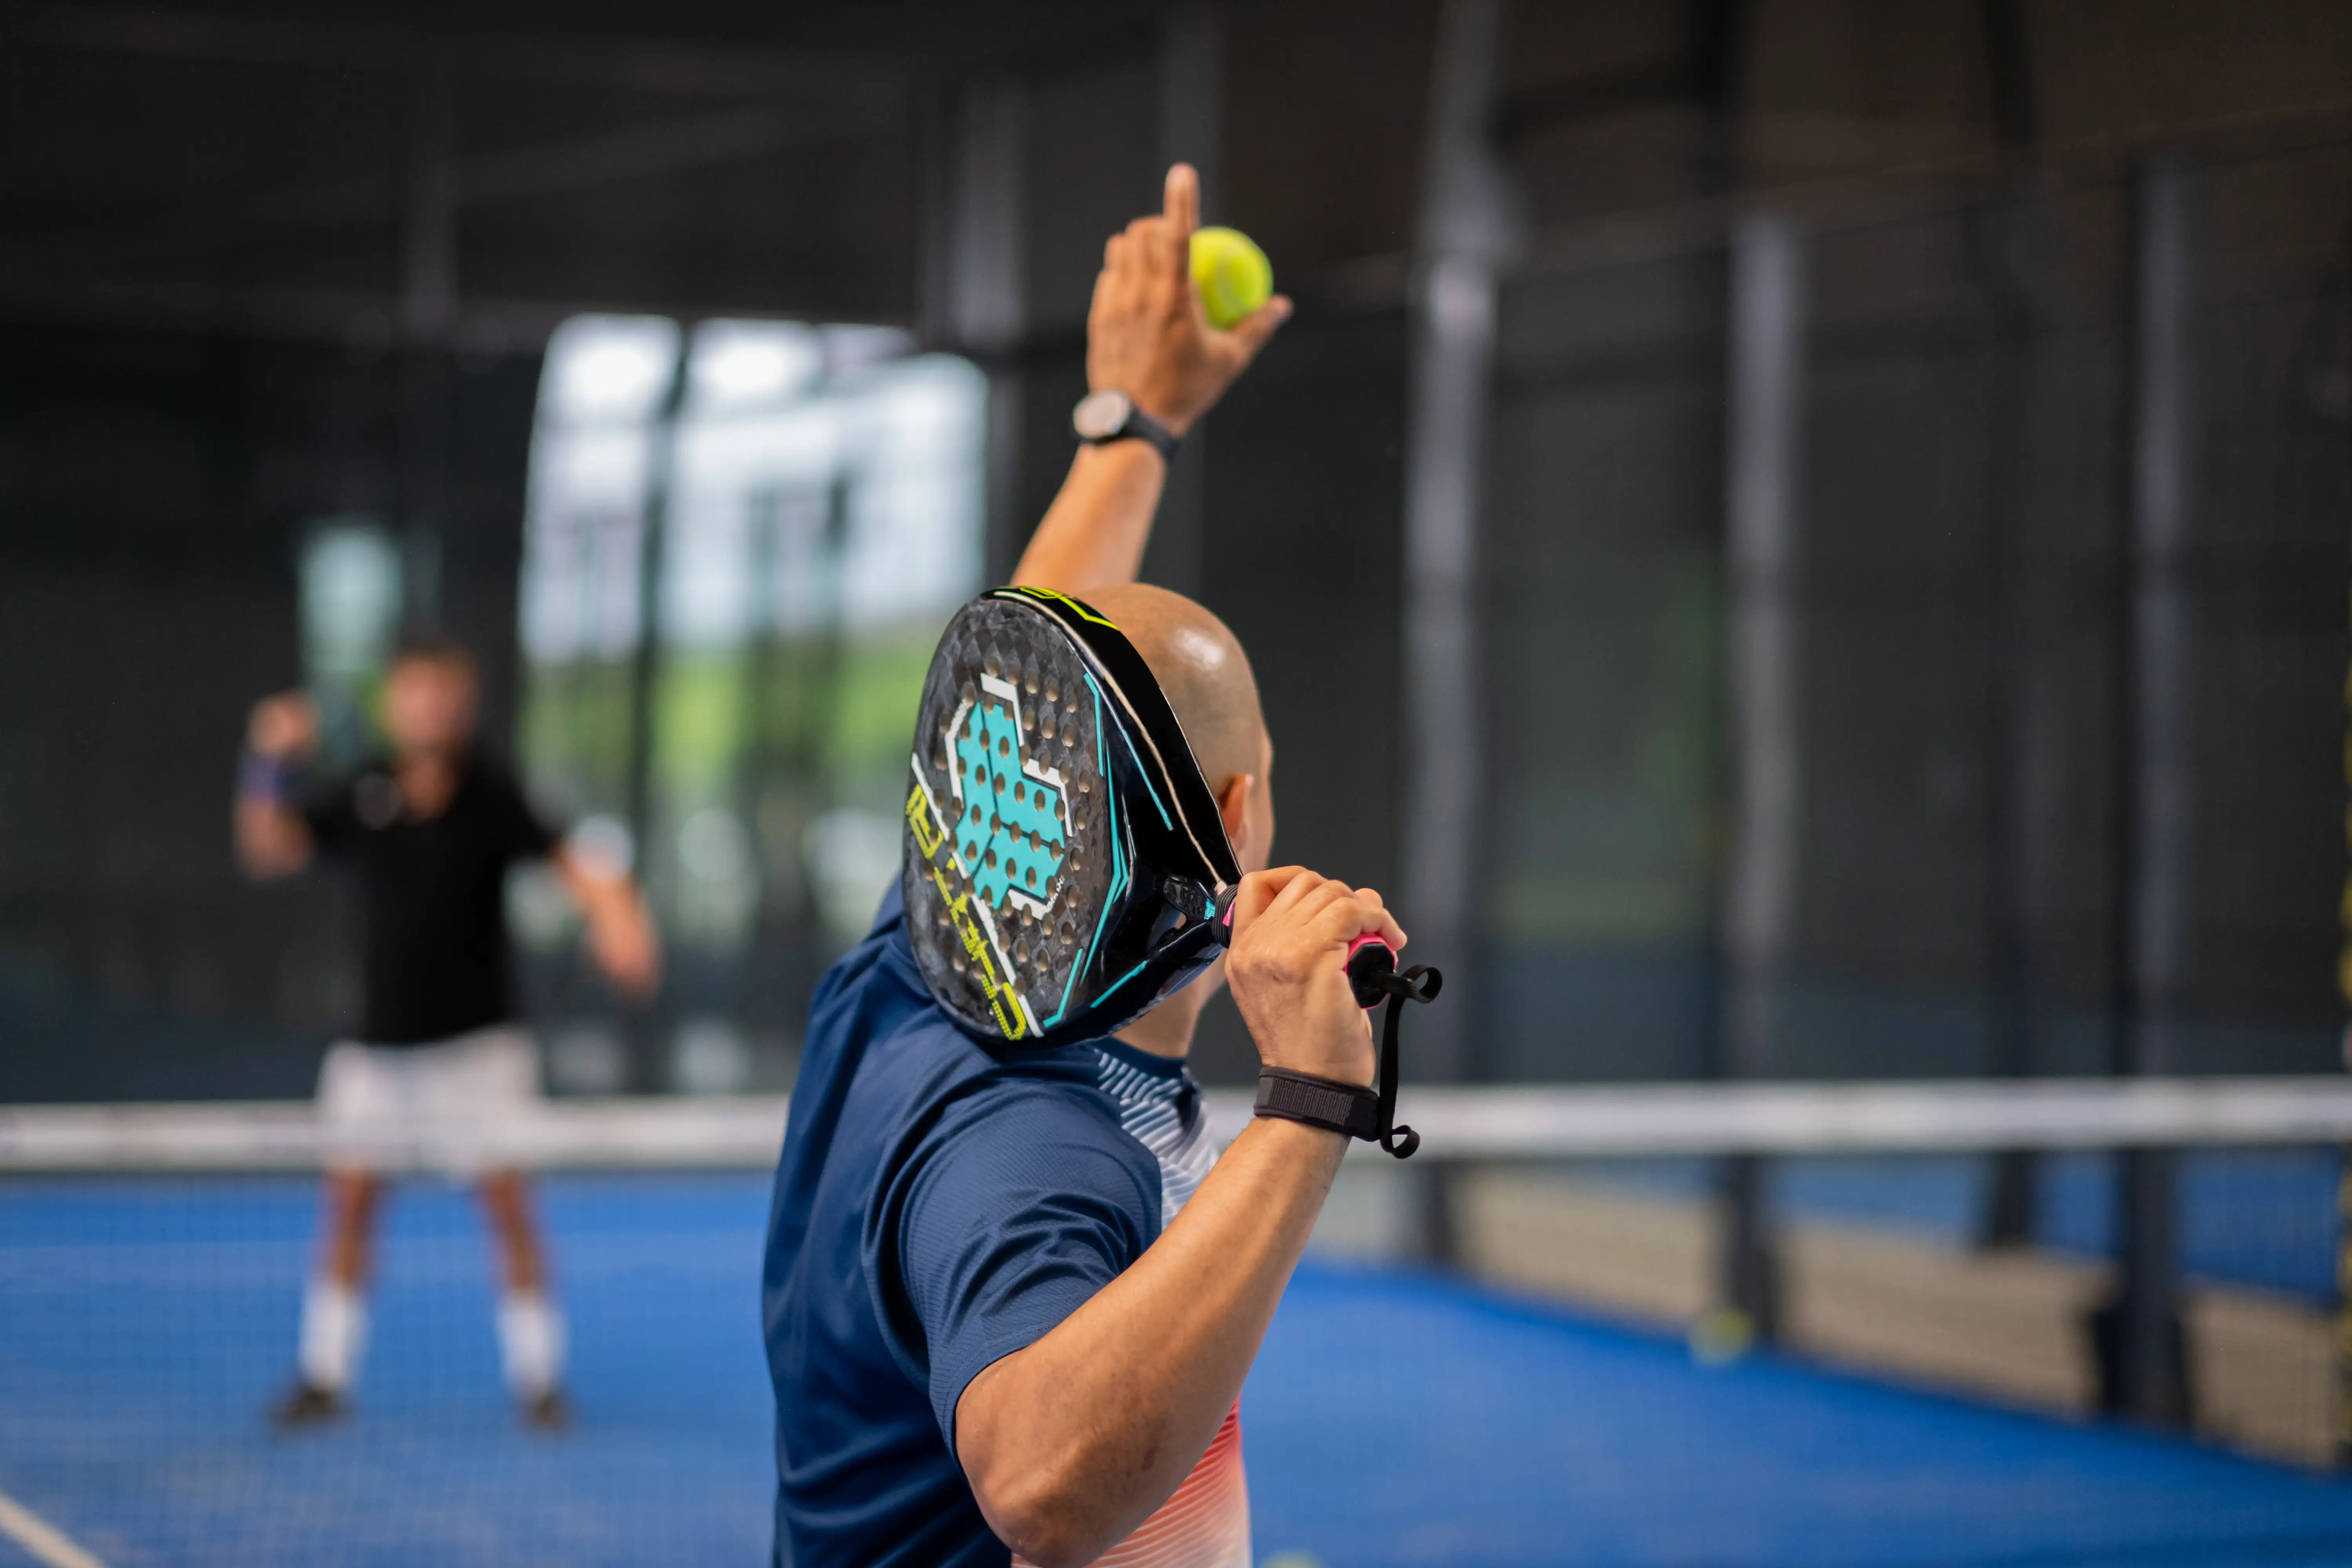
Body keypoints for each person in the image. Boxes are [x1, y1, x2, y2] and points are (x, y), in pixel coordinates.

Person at [764, 165, 1406, 1568]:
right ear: (1241, 813)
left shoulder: (921, 966)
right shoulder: (1038, 1146)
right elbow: (1043, 1485)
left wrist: (1133, 426)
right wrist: (1308, 1104)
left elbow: (1028, 698)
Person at [235, 633, 659, 1430]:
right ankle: (325, 1374)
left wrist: (620, 917)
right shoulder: (361, 790)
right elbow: (268, 846)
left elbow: (580, 866)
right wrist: (267, 760)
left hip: (480, 1052)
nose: (432, 705)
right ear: (394, 700)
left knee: (509, 1207)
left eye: (446, 691)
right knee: (350, 1205)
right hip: (375, 1053)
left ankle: (538, 1378)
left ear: (463, 702)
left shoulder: (494, 796)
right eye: (417, 690)